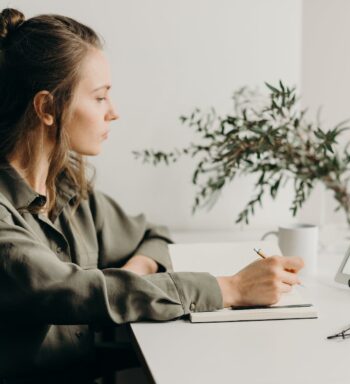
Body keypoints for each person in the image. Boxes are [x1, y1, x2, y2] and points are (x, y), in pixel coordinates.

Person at [0, 8, 304, 383]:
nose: (114, 113)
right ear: (47, 108)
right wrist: (231, 289)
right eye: (99, 98)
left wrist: (131, 275)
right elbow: (75, 291)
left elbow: (153, 236)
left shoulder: (69, 191)